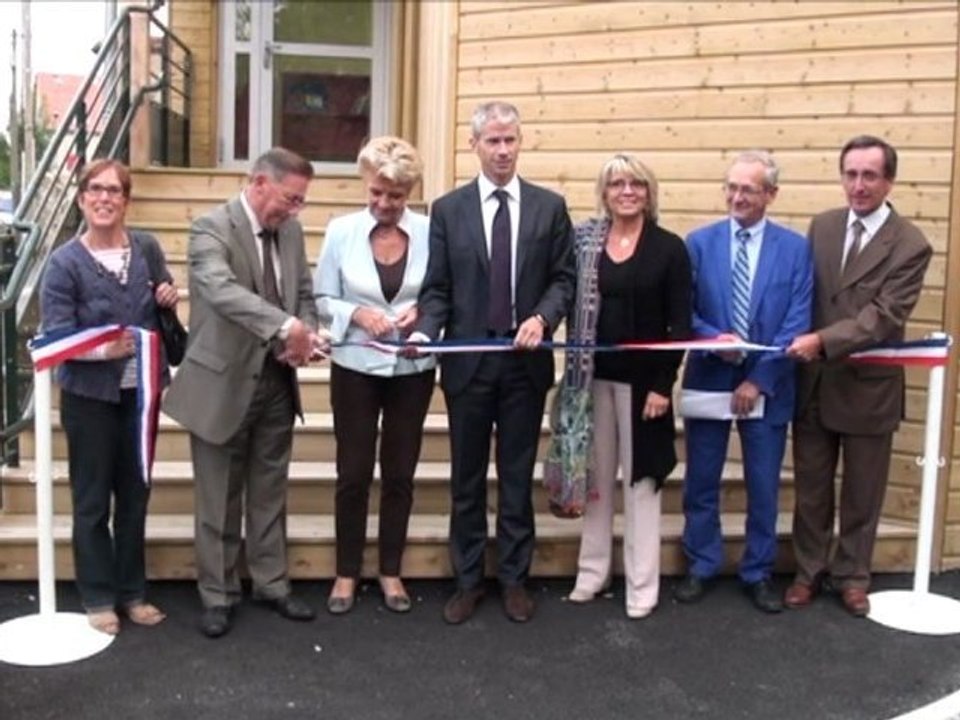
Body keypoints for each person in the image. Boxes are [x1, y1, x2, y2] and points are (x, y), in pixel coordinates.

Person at [411, 101, 576, 624]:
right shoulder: (448, 209)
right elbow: (437, 288)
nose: (503, 151)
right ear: (474, 145)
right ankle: (466, 580)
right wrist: (424, 332)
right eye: (493, 142)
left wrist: (543, 319)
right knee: (465, 478)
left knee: (516, 474)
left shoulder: (550, 207)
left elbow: (564, 280)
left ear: (519, 142)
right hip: (468, 366)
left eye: (510, 141)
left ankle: (513, 578)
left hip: (525, 365)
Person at [163, 147, 327, 638]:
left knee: (270, 491)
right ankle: (218, 594)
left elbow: (303, 292)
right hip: (222, 383)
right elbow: (220, 291)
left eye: (301, 202)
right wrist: (287, 327)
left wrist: (307, 335)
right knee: (218, 496)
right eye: (289, 199)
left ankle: (272, 583)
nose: (295, 211)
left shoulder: (293, 231)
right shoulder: (210, 228)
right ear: (258, 183)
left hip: (277, 383)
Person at [785, 135, 932, 617]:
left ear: (889, 180)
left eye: (870, 175)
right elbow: (805, 295)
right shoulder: (822, 227)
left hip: (868, 391)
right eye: (851, 173)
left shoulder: (910, 244)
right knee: (810, 490)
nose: (859, 185)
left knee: (862, 494)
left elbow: (883, 317)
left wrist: (823, 341)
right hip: (814, 386)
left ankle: (852, 576)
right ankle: (808, 573)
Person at [40, 158, 178, 635]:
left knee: (135, 497)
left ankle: (133, 592)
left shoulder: (146, 249)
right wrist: (102, 350)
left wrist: (168, 298)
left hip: (142, 396)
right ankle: (98, 597)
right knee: (93, 500)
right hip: (89, 399)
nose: (105, 198)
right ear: (81, 199)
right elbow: (55, 337)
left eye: (114, 191)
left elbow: (160, 305)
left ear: (126, 200)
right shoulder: (63, 263)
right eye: (95, 190)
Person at [674, 150, 813, 613]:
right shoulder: (699, 243)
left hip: (768, 386)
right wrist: (713, 339)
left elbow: (797, 320)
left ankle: (758, 571)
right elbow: (683, 311)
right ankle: (701, 563)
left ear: (770, 194)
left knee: (763, 483)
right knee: (701, 480)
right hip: (709, 377)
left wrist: (759, 378)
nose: (737, 197)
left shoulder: (795, 249)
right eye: (731, 187)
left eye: (748, 189)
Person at [565, 154, 692, 619]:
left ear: (648, 191)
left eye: (635, 183)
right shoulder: (585, 243)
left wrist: (664, 384)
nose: (626, 191)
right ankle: (592, 574)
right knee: (596, 483)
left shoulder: (669, 248)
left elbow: (681, 324)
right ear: (604, 192)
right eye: (617, 183)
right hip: (592, 378)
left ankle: (641, 587)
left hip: (645, 389)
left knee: (641, 486)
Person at [314, 137, 435, 614]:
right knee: (354, 472)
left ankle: (390, 571)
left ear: (409, 192)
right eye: (376, 194)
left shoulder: (429, 231)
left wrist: (422, 316)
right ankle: (346, 572)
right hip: (355, 368)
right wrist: (358, 315)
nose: (384, 204)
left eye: (395, 196)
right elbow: (323, 298)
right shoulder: (341, 231)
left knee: (400, 473)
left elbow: (442, 292)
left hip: (412, 368)